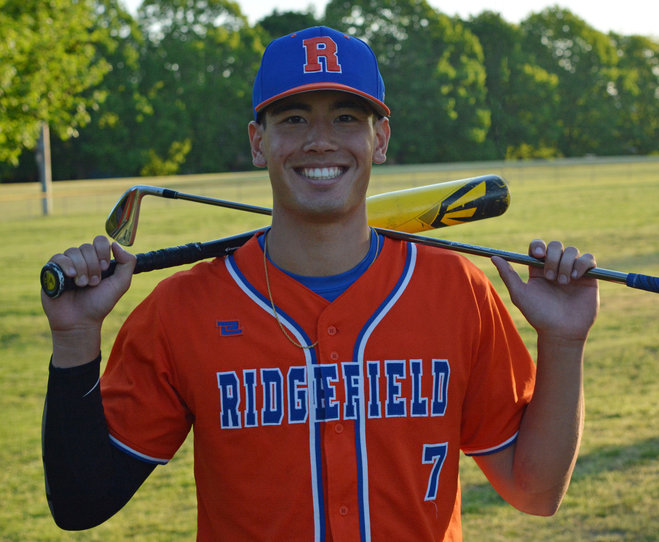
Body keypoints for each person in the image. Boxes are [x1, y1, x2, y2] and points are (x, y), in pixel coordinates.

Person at [41, 26, 599, 541]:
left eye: (345, 119)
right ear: (259, 142)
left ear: (380, 139)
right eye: (294, 119)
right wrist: (74, 340)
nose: (320, 141)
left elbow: (535, 490)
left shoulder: (456, 291)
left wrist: (564, 342)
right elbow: (81, 503)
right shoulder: (183, 309)